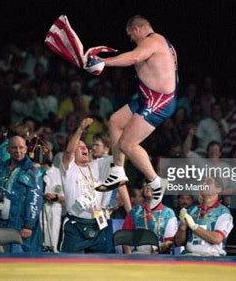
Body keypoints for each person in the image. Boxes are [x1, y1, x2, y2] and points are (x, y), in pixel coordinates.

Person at [91, 15, 178, 209]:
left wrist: (103, 62)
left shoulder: (152, 41)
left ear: (137, 29)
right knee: (115, 121)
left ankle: (156, 182)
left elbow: (134, 57)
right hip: (147, 97)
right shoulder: (158, 42)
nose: (132, 40)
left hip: (159, 101)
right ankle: (118, 170)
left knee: (127, 144)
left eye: (131, 35)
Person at [59, 118, 112, 253]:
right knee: (67, 265)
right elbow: (68, 152)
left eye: (85, 147)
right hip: (75, 226)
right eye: (80, 147)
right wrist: (81, 129)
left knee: (100, 266)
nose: (85, 148)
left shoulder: (96, 166)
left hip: (97, 224)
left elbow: (116, 156)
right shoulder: (69, 169)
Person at [0, 135, 44, 252]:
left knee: (19, 263)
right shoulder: (1, 167)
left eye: (21, 147)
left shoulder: (33, 171)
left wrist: (29, 225)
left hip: (19, 224)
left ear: (26, 149)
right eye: (14, 148)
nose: (18, 151)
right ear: (7, 149)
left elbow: (35, 199)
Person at [173, 177, 233, 256]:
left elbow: (217, 238)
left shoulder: (223, 212)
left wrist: (194, 226)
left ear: (218, 189)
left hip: (213, 259)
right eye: (202, 182)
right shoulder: (192, 210)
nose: (203, 184)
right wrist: (182, 227)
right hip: (189, 257)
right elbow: (178, 242)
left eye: (208, 182)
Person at [122, 181, 178, 254]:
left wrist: (159, 248)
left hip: (159, 256)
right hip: (137, 255)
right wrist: (128, 258)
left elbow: (170, 241)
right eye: (146, 184)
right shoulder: (135, 211)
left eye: (153, 185)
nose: (148, 187)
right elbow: (125, 238)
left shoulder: (168, 213)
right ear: (142, 189)